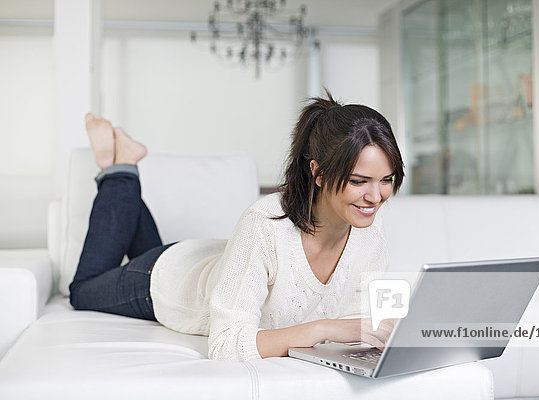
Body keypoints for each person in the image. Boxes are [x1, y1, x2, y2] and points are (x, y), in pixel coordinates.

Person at [69, 91, 405, 361]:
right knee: (82, 290)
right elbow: (227, 345)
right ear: (317, 173)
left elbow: (363, 323)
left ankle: (123, 172)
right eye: (359, 181)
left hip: (211, 263)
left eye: (386, 180)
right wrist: (323, 329)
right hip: (167, 279)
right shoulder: (265, 223)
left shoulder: (370, 235)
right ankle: (121, 167)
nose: (375, 197)